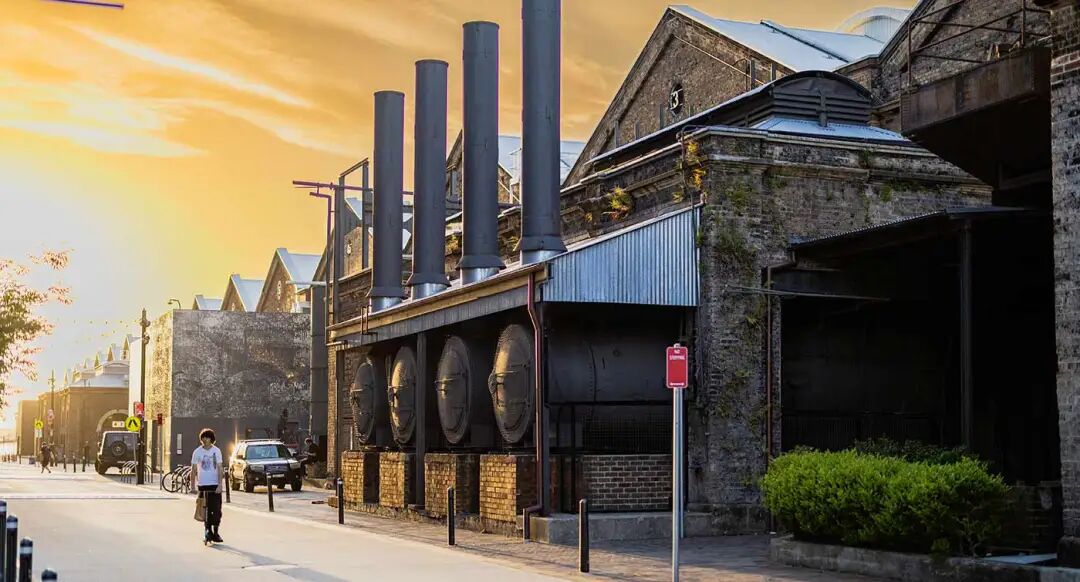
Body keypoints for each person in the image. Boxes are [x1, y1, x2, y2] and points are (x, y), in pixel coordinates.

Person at [190, 428, 224, 544]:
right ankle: (207, 530)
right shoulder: (197, 452)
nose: (204, 440)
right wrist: (192, 486)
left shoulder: (216, 451)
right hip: (202, 484)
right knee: (204, 509)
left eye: (207, 437)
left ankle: (216, 531)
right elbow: (193, 469)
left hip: (214, 484)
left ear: (211, 439)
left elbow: (220, 468)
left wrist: (220, 485)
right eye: (203, 438)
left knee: (217, 509)